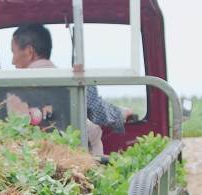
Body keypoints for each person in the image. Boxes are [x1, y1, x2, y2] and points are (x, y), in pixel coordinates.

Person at [7, 24, 134, 154]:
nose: (12, 61)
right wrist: (121, 113)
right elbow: (99, 111)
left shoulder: (9, 91)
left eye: (13, 52)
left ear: (29, 52)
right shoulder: (75, 82)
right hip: (78, 161)